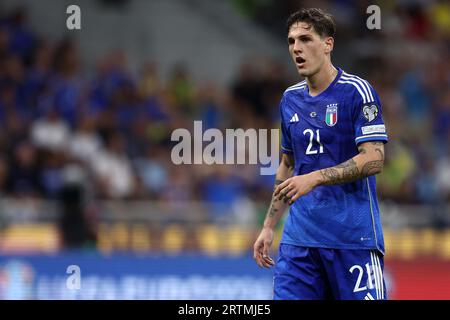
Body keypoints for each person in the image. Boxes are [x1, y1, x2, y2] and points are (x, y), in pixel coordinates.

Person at [253, 8, 388, 300]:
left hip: (352, 240)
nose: (296, 48)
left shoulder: (357, 92)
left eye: (305, 39)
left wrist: (314, 178)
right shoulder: (290, 99)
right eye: (291, 41)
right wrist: (268, 227)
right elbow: (288, 164)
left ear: (328, 44)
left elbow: (374, 158)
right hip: (299, 244)